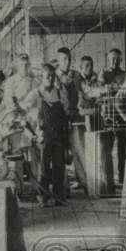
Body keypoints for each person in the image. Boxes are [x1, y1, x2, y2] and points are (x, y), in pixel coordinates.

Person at [18, 64, 70, 206]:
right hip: (43, 136)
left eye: (53, 76)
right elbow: (22, 113)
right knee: (43, 169)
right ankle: (43, 197)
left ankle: (60, 197)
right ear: (41, 77)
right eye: (48, 76)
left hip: (58, 136)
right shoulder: (35, 94)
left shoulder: (60, 93)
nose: (51, 79)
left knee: (59, 167)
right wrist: (31, 134)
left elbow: (66, 113)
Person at [54, 47, 88, 195]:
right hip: (60, 120)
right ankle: (64, 188)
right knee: (60, 155)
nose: (67, 62)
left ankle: (87, 184)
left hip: (75, 118)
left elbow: (83, 93)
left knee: (80, 151)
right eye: (64, 59)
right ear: (58, 60)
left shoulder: (76, 76)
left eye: (69, 59)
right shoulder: (53, 76)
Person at [98, 47, 126, 194]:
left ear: (121, 60)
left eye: (117, 59)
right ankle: (109, 181)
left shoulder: (125, 75)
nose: (115, 61)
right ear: (107, 59)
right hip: (108, 116)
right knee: (107, 148)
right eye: (112, 59)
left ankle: (123, 179)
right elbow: (100, 90)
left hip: (122, 114)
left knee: (123, 148)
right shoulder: (102, 74)